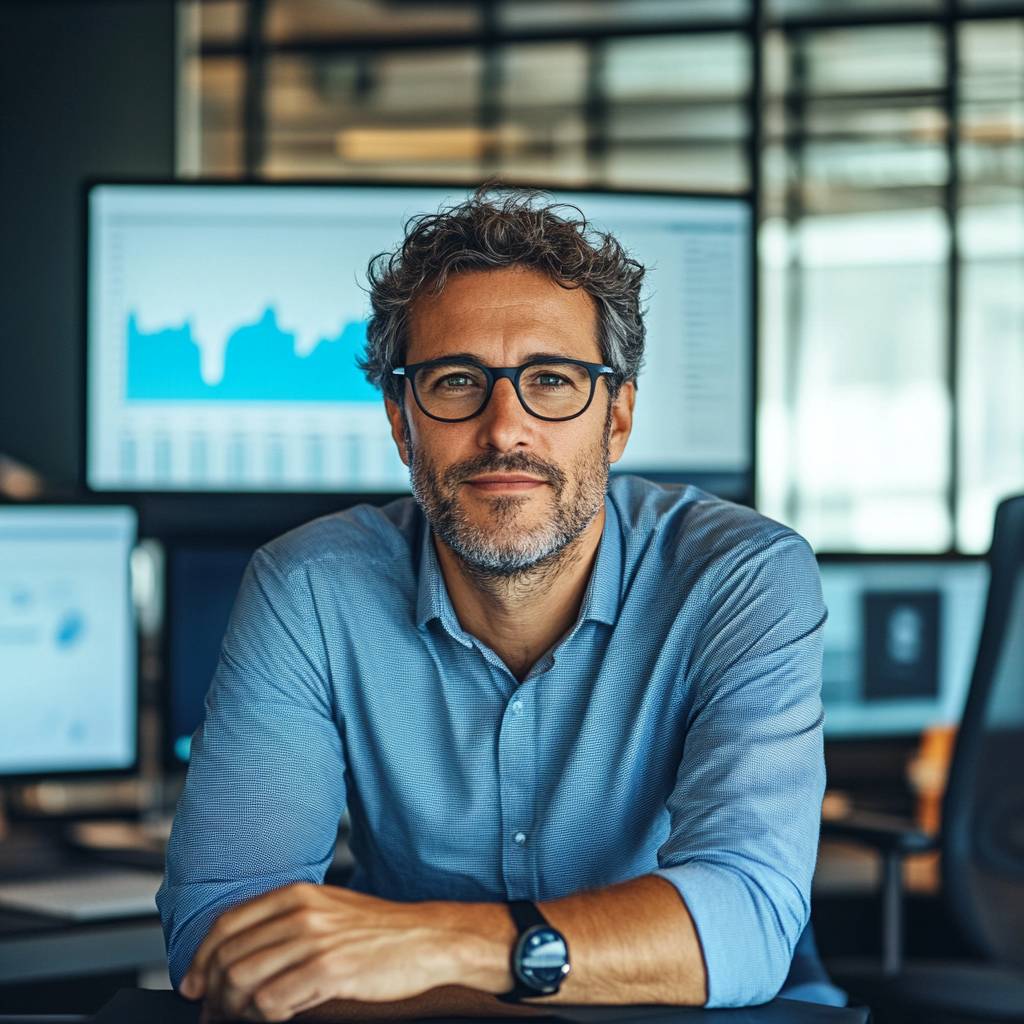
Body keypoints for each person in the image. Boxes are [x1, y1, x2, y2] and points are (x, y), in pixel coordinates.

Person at [156, 187, 844, 1022]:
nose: (505, 428)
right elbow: (223, 933)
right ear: (403, 423)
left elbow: (745, 922)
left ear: (616, 419)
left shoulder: (740, 576)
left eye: (552, 381)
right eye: (456, 382)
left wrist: (440, 945)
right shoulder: (308, 587)